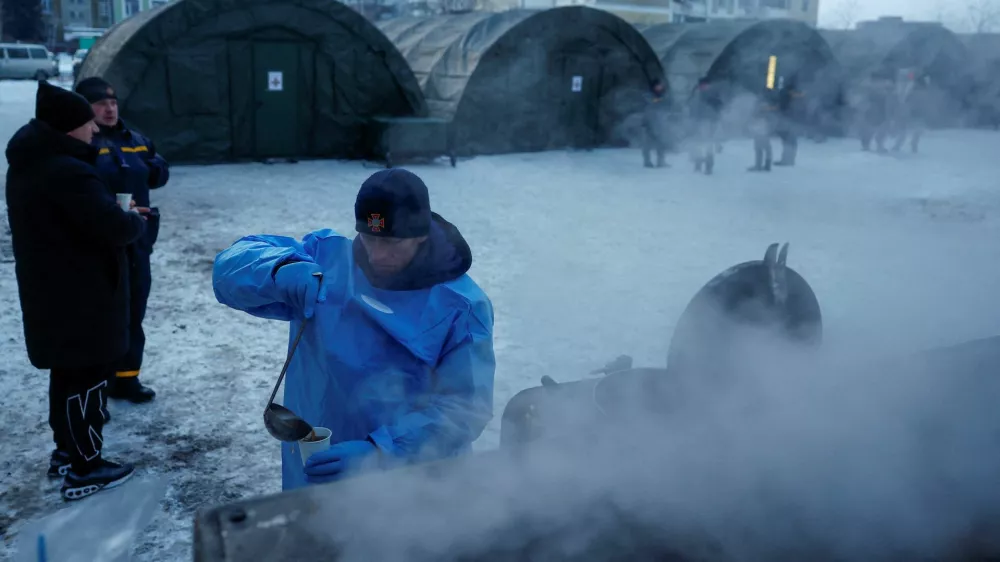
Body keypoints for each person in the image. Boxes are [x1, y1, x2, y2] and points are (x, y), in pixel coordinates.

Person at [213, 168, 495, 490]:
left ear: (421, 235)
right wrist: (279, 269)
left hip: (408, 480)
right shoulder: (327, 261)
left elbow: (465, 408)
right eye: (370, 237)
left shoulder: (460, 306)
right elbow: (229, 267)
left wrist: (379, 452)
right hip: (312, 457)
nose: (377, 254)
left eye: (392, 242)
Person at [5, 81, 147, 500]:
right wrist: (133, 220)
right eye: (87, 123)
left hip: (54, 292)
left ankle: (66, 453)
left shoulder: (32, 163)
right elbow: (114, 227)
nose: (94, 131)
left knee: (67, 376)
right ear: (69, 128)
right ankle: (86, 466)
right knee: (86, 377)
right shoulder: (67, 172)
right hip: (82, 296)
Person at [75, 77, 170, 405]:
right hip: (101, 244)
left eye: (113, 102)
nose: (109, 108)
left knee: (134, 309)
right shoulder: (84, 143)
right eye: (100, 103)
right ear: (85, 109)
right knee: (103, 314)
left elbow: (159, 171)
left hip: (137, 239)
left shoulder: (136, 140)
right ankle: (97, 384)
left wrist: (151, 166)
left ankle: (127, 379)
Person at [688, 77, 722, 175]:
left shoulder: (714, 94)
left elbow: (719, 106)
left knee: (708, 145)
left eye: (705, 85)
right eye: (702, 85)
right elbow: (691, 105)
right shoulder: (696, 94)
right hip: (698, 121)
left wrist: (715, 114)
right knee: (697, 144)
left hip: (710, 121)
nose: (703, 87)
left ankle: (709, 166)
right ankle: (697, 165)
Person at [773, 78, 803, 167]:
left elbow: (782, 106)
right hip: (790, 119)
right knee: (789, 140)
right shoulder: (793, 94)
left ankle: (788, 160)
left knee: (789, 140)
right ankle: (788, 159)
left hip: (789, 119)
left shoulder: (787, 94)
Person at [641, 79, 671, 169]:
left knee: (661, 143)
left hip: (660, 123)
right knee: (647, 144)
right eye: (658, 85)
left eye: (660, 85)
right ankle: (647, 161)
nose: (660, 87)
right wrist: (661, 100)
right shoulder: (648, 95)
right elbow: (651, 102)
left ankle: (661, 161)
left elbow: (667, 105)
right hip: (648, 123)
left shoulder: (664, 95)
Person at [748, 91, 776, 172]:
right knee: (767, 148)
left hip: (760, 128)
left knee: (759, 148)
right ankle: (767, 165)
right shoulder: (769, 104)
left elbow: (756, 115)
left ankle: (758, 165)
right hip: (765, 129)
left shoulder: (762, 105)